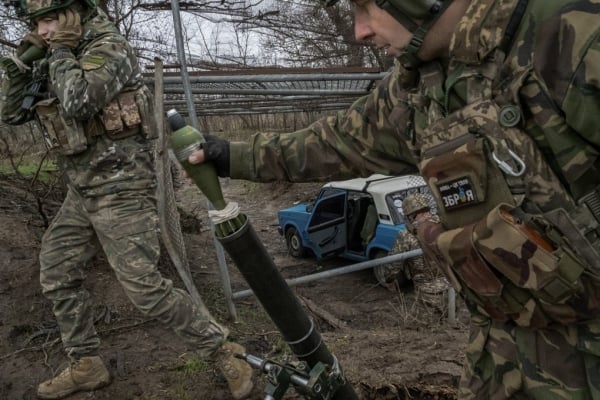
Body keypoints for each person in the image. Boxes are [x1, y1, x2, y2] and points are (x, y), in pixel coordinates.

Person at [188, 0, 600, 398]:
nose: (360, 30)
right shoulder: (415, 91)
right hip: (505, 347)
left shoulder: (567, 31)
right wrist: (234, 156)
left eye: (367, 6)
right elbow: (333, 143)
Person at [0, 1, 253, 399]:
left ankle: (222, 350)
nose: (43, 30)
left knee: (144, 288)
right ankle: (86, 363)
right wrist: (19, 66)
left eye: (48, 20)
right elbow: (13, 114)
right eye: (36, 24)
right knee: (57, 271)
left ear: (74, 14)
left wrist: (61, 51)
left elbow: (79, 101)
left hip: (122, 190)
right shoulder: (55, 57)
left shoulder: (109, 49)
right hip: (82, 191)